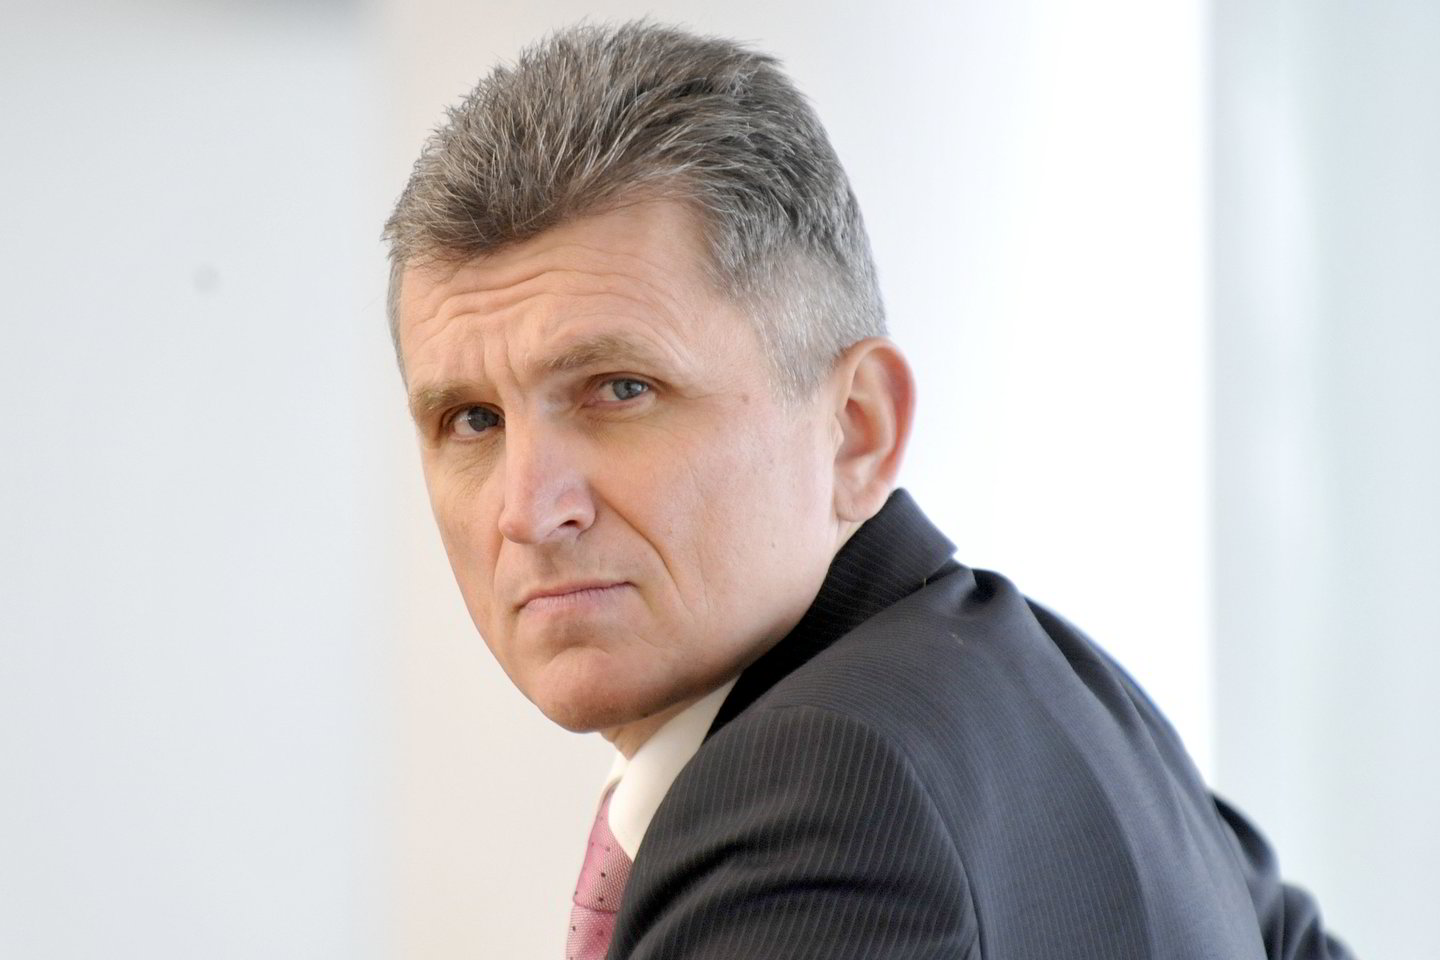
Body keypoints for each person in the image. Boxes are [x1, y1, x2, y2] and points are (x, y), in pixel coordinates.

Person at [383, 20, 1352, 960]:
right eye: (473, 420)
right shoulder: (1081, 700)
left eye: (621, 390)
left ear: (857, 429)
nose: (527, 510)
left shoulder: (816, 790)